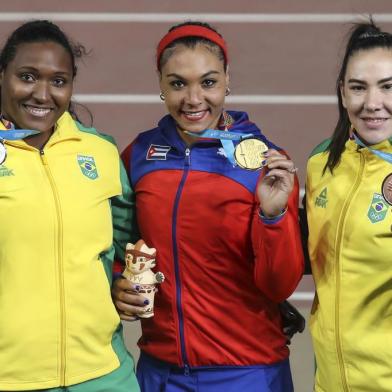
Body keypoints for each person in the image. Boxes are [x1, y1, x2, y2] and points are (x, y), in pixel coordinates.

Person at [112, 21, 304, 392]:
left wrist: (273, 215)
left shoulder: (264, 163)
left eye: (209, 82)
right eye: (178, 83)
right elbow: (122, 238)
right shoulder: (140, 154)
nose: (194, 99)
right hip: (160, 370)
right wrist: (119, 281)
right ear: (161, 85)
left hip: (248, 372)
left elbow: (280, 285)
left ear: (228, 80)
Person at [0, 20, 139, 391]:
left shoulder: (100, 151)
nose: (42, 95)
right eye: (27, 77)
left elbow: (126, 238)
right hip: (12, 378)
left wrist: (123, 283)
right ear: (3, 76)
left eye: (58, 81)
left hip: (104, 373)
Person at [305, 20, 392, 391]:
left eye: (388, 88)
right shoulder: (322, 165)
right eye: (359, 88)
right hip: (330, 381)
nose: (372, 104)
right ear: (342, 93)